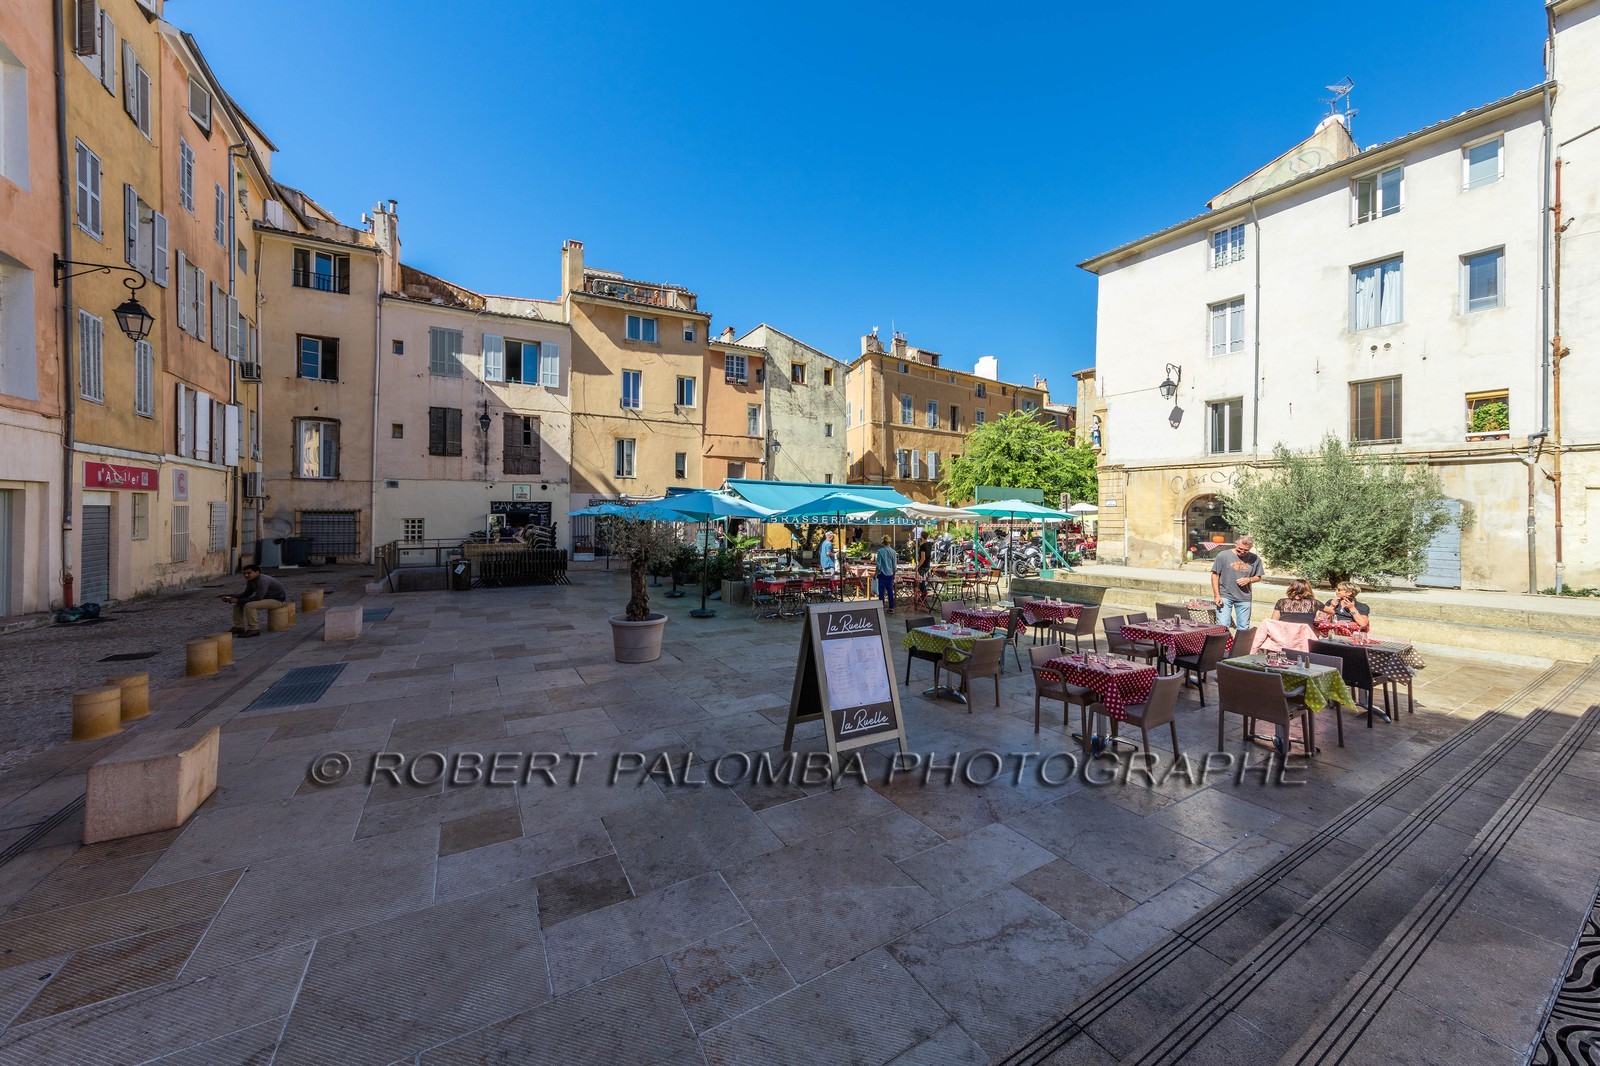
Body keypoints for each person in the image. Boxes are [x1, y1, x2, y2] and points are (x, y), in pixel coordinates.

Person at [1210, 534, 1263, 629]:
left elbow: (1258, 577)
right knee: (1222, 625)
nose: (1242, 552)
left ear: (1251, 548)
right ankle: (1223, 644)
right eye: (1240, 549)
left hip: (1244, 597)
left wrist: (1249, 579)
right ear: (1236, 544)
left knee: (1243, 627)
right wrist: (1217, 595)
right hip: (1225, 595)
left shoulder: (1255, 559)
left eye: (1246, 550)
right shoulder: (1223, 555)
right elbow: (1215, 575)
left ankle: (1240, 644)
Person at [222, 564, 289, 637]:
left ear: (257, 572)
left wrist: (237, 600)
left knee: (249, 605)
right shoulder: (251, 580)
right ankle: (239, 627)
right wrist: (230, 597)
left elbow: (258, 597)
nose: (246, 575)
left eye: (249, 573)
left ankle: (254, 629)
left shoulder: (263, 580)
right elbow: (245, 594)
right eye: (244, 573)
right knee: (237, 604)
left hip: (277, 600)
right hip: (266, 599)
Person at [875, 537, 898, 610]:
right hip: (890, 574)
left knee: (881, 591)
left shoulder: (880, 551)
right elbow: (894, 565)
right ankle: (891, 607)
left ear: (883, 542)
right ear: (889, 542)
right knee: (890, 591)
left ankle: (881, 607)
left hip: (882, 573)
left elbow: (878, 564)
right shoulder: (893, 552)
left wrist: (875, 574)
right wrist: (894, 574)